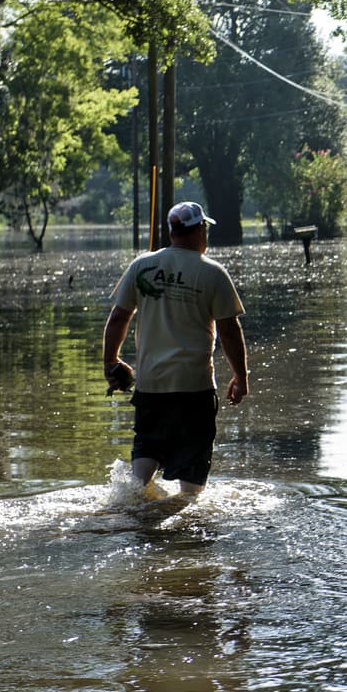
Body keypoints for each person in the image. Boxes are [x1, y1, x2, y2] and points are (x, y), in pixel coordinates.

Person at [102, 201, 248, 495]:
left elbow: (119, 317)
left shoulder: (141, 265)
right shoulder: (212, 273)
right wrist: (241, 377)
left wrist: (111, 362)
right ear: (200, 230)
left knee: (145, 456)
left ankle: (130, 501)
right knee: (192, 488)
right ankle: (184, 521)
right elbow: (230, 331)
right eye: (205, 229)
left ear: (172, 232)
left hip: (150, 385)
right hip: (194, 388)